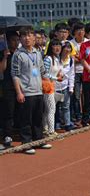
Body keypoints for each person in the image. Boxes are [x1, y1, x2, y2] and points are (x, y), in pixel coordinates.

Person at [11, 26, 52, 154]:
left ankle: (38, 140)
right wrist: (19, 92)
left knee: (37, 118)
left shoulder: (37, 53)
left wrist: (48, 84)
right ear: (20, 39)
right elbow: (15, 75)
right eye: (24, 36)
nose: (27, 38)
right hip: (26, 93)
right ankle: (27, 143)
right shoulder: (18, 55)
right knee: (26, 120)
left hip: (38, 91)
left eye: (29, 35)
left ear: (34, 37)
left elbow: (42, 71)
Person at [0, 31, 20, 150]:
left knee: (20, 110)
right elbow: (2, 70)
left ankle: (19, 133)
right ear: (7, 41)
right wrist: (5, 57)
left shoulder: (19, 53)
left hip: (20, 85)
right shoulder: (3, 53)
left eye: (17, 40)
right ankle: (7, 135)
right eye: (13, 40)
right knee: (8, 112)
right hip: (7, 85)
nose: (16, 42)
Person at [43, 39, 63, 137]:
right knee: (51, 109)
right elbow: (44, 73)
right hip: (46, 86)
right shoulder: (48, 58)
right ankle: (51, 131)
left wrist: (59, 76)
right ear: (50, 47)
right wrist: (56, 78)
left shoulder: (57, 58)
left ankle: (45, 129)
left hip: (51, 85)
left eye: (59, 45)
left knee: (48, 109)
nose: (57, 47)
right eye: (55, 45)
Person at [69, 23, 87, 126]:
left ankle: (86, 116)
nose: (80, 32)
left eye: (82, 30)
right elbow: (71, 58)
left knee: (86, 95)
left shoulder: (88, 43)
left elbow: (88, 58)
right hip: (75, 72)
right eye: (78, 30)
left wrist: (79, 58)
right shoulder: (70, 43)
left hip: (86, 71)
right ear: (74, 33)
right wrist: (81, 59)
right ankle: (78, 116)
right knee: (76, 96)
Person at [56, 42, 75, 131]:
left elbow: (72, 74)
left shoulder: (71, 60)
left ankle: (67, 124)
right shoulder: (55, 59)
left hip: (65, 86)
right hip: (55, 86)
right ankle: (56, 124)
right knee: (55, 107)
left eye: (69, 48)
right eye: (66, 48)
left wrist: (71, 87)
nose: (68, 50)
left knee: (66, 106)